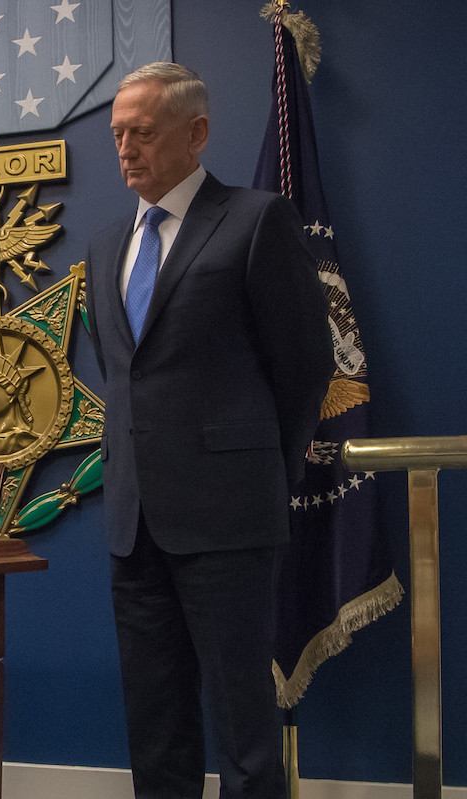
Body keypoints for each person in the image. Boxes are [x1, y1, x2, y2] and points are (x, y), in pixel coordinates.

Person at [84, 63, 330, 799]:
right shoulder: (105, 244)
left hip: (229, 519)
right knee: (155, 730)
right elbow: (123, 373)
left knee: (244, 733)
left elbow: (305, 367)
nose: (126, 148)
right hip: (134, 522)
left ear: (196, 134)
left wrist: (260, 476)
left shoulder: (256, 220)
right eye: (118, 134)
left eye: (143, 132)